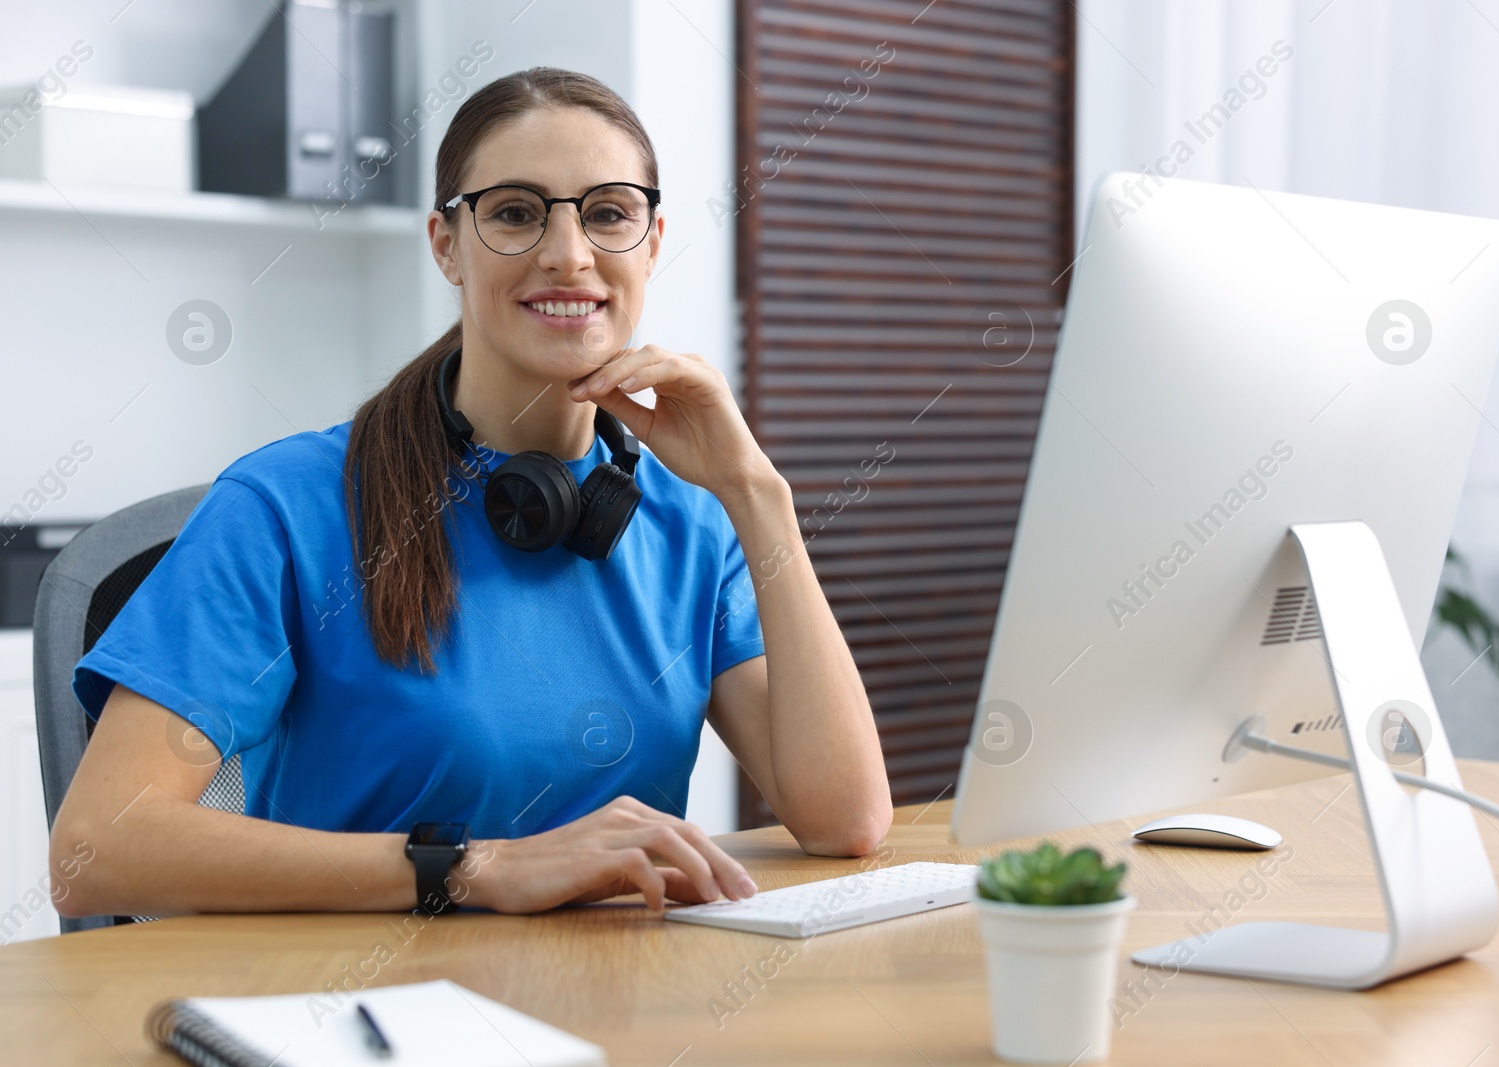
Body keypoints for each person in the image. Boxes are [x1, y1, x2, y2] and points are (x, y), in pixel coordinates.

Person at [50, 67, 892, 920]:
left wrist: (756, 491)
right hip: (362, 1020)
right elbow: (95, 850)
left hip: (621, 1015)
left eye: (607, 213)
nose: (568, 254)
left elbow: (844, 821)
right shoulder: (283, 507)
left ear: (652, 240)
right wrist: (472, 867)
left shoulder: (690, 527)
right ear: (447, 244)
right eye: (516, 213)